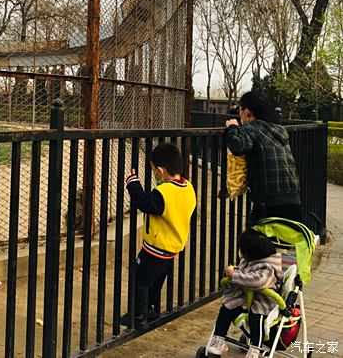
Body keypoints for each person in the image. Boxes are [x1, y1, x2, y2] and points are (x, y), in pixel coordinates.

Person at [120, 142, 196, 328]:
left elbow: (145, 204)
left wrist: (133, 184)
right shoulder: (188, 187)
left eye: (154, 170)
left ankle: (138, 316)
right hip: (171, 248)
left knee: (141, 281)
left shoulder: (163, 192)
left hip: (155, 248)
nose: (154, 174)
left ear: (160, 171)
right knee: (156, 280)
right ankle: (151, 309)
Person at [225, 91, 302, 223]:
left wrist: (232, 127)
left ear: (247, 113)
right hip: (294, 199)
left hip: (269, 202)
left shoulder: (252, 128)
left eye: (240, 110)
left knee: (258, 241)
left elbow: (238, 146)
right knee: (286, 241)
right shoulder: (280, 130)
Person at [206, 229, 283, 358]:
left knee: (256, 318)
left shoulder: (268, 267)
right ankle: (218, 339)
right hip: (243, 296)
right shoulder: (248, 259)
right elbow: (243, 271)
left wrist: (235, 275)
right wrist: (234, 271)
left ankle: (255, 348)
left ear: (251, 253)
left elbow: (258, 281)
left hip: (261, 299)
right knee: (226, 308)